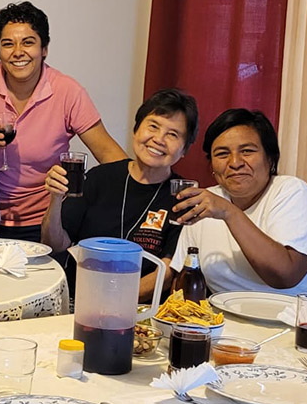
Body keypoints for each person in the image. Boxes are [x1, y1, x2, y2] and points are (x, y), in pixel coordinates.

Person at [0, 1, 127, 241]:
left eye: (28, 42)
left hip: (43, 221)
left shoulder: (67, 91)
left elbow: (109, 154)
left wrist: (151, 187)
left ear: (44, 48)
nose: (17, 52)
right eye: (7, 44)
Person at [171, 109, 307, 300]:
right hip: (232, 325)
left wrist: (229, 212)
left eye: (247, 151)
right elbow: (184, 281)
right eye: (222, 154)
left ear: (270, 158)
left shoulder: (291, 191)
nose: (235, 162)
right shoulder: (205, 202)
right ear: (212, 166)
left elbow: (285, 275)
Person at [42, 89, 199, 301]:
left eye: (173, 134)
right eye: (153, 126)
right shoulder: (98, 178)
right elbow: (55, 244)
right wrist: (55, 199)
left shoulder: (181, 197)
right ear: (136, 130)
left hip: (137, 309)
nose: (159, 139)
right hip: (76, 299)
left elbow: (168, 270)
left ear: (185, 150)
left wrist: (115, 301)